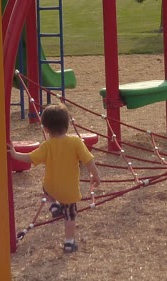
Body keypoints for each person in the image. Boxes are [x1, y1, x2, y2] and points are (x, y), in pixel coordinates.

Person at [7, 103, 100, 253]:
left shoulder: (47, 145)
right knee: (70, 216)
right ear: (67, 125)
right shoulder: (76, 142)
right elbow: (88, 160)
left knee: (45, 189)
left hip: (52, 188)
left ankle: (53, 205)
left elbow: (30, 158)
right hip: (70, 191)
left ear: (45, 128)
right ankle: (69, 242)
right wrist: (95, 175)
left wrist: (14, 154)